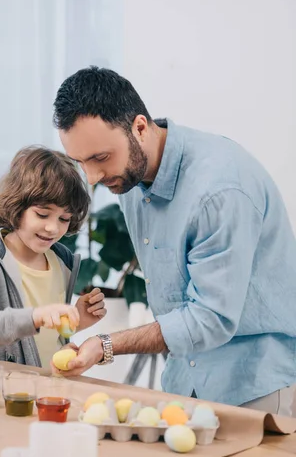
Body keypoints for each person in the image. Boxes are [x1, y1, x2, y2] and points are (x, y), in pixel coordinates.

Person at [52, 66, 296, 416]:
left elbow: (210, 318)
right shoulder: (130, 178)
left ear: (139, 127)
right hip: (185, 380)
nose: (92, 177)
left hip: (255, 386)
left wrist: (106, 344)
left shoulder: (220, 189)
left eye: (101, 158)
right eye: (81, 162)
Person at [0, 146, 106, 368]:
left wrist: (74, 321)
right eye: (42, 214)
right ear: (17, 205)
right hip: (0, 396)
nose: (52, 228)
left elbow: (39, 342)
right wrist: (34, 317)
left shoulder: (61, 262)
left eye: (64, 219)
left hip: (46, 394)